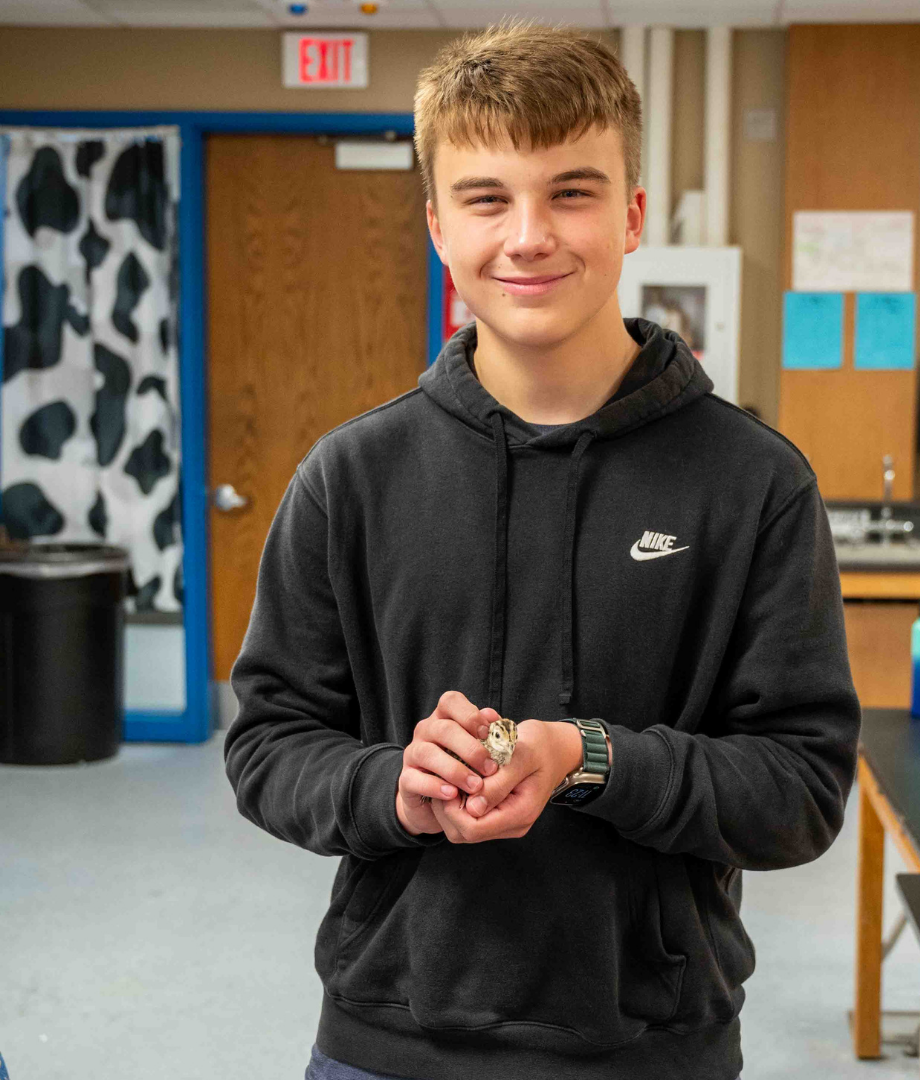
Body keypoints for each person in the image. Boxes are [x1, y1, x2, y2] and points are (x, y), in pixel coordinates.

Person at [223, 17, 861, 1080]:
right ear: (437, 224)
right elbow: (269, 744)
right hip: (388, 1046)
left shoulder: (754, 482)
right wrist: (394, 786)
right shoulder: (351, 477)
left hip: (652, 1049)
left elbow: (799, 791)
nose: (528, 237)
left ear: (632, 214)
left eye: (571, 191)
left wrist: (591, 757)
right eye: (487, 199)